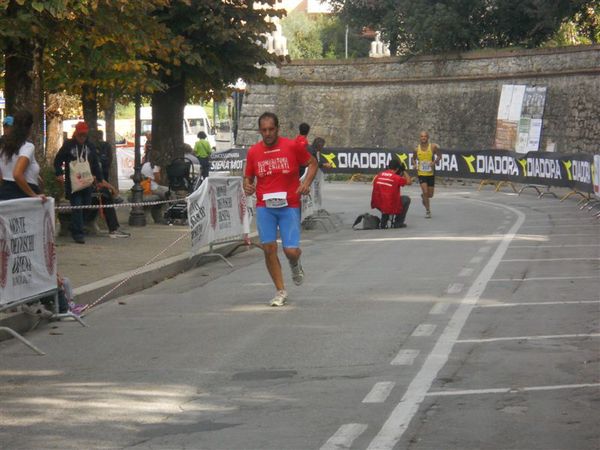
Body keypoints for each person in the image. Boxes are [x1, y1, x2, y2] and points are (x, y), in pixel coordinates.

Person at [244, 112, 318, 307]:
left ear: (277, 129)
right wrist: (247, 186)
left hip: (289, 205)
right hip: (265, 206)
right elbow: (248, 177)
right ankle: (280, 290)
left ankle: (295, 263)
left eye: (271, 129)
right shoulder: (253, 152)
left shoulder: (292, 146)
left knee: (290, 250)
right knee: (269, 248)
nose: (267, 133)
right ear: (260, 131)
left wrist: (306, 183)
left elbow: (312, 164)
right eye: (264, 130)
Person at [54, 121, 127, 243]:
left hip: (87, 182)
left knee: (87, 205)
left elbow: (95, 164)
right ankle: (78, 234)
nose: (82, 138)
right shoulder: (68, 145)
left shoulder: (90, 146)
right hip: (73, 183)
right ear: (75, 133)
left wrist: (100, 179)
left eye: (84, 135)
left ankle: (74, 225)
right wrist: (59, 173)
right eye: (80, 135)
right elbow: (58, 160)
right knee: (77, 205)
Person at [0, 110, 47, 202]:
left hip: (5, 194)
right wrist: (33, 195)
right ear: (30, 128)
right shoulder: (27, 147)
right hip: (23, 196)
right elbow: (17, 174)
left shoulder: (4, 148)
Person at [371, 159, 412, 229]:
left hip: (377, 204)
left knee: (386, 198)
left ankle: (385, 214)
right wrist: (404, 170)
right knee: (406, 199)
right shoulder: (396, 178)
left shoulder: (378, 175)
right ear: (397, 168)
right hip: (390, 205)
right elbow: (409, 182)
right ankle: (398, 222)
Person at [411, 131, 441, 218]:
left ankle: (424, 196)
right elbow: (413, 159)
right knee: (425, 191)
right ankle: (428, 211)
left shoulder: (433, 147)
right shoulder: (416, 149)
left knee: (430, 195)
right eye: (421, 136)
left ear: (427, 137)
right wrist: (415, 164)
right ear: (420, 138)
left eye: (425, 136)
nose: (423, 138)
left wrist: (434, 162)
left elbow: (439, 156)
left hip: (430, 174)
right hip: (421, 173)